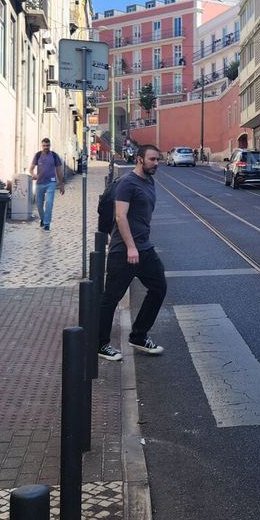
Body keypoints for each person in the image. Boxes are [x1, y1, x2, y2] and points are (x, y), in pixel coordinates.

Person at [97, 144, 167, 361]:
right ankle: (100, 345)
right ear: (139, 159)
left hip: (144, 249)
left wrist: (139, 245)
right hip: (125, 251)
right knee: (111, 298)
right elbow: (120, 216)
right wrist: (130, 247)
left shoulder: (149, 181)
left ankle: (138, 335)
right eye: (152, 159)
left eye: (158, 159)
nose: (156, 163)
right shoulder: (128, 183)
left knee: (159, 288)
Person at [30, 138, 64, 230]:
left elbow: (59, 171)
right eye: (44, 145)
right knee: (39, 204)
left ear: (50, 145)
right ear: (42, 145)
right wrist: (34, 175)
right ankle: (43, 219)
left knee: (49, 203)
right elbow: (31, 169)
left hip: (51, 183)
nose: (46, 147)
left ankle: (47, 223)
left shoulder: (54, 155)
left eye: (47, 145)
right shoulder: (38, 155)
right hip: (40, 183)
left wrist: (61, 184)